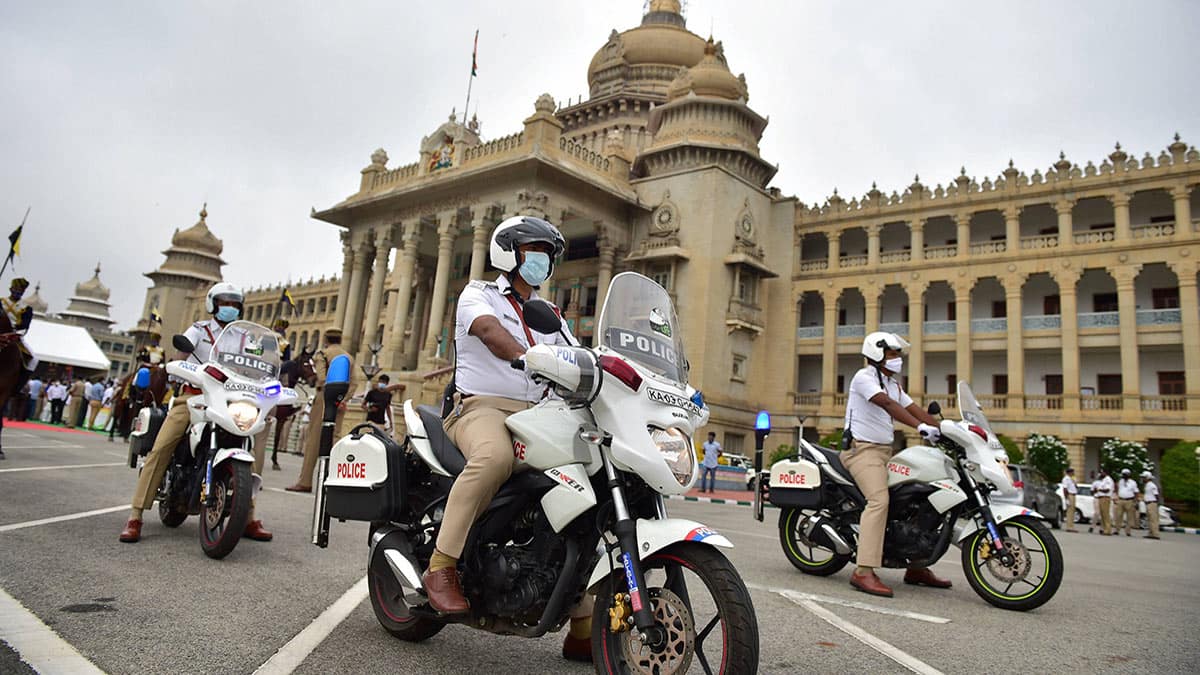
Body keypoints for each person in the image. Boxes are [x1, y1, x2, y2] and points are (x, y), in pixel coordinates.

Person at [419, 215, 591, 662]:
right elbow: (490, 333)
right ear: (508, 252)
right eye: (533, 250)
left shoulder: (550, 314)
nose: (542, 260)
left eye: (547, 254)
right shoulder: (479, 293)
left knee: (584, 487)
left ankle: (586, 621)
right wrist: (528, 356)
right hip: (480, 407)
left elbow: (579, 354)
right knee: (494, 458)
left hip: (541, 416)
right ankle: (441, 565)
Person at [120, 282, 273, 543]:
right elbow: (180, 357)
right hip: (193, 397)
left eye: (235, 304)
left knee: (252, 446)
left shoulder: (245, 338)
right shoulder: (198, 330)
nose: (230, 308)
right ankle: (135, 515)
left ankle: (247, 517)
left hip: (228, 400)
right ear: (213, 304)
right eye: (225, 303)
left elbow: (257, 366)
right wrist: (178, 368)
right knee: (161, 447)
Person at [841, 331, 951, 598]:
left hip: (886, 452)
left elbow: (915, 409)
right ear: (877, 355)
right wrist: (921, 428)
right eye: (892, 354)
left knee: (918, 499)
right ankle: (863, 571)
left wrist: (949, 430)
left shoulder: (893, 385)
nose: (897, 360)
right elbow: (887, 405)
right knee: (879, 501)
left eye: (898, 355)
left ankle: (916, 565)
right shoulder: (864, 378)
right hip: (861, 451)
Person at [286, 328, 351, 492]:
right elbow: (355, 382)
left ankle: (305, 481)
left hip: (324, 398)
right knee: (335, 439)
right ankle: (334, 482)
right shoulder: (348, 357)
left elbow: (322, 377)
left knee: (314, 440)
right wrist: (343, 399)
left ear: (326, 339)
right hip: (341, 401)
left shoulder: (323, 354)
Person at [2, 278, 38, 386]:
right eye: (15, 289)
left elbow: (24, 328)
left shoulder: (26, 308)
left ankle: (19, 386)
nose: (17, 292)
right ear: (10, 289)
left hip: (14, 336)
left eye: (20, 290)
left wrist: (13, 335)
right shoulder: (1, 302)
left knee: (34, 360)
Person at [1114, 468, 1139, 537]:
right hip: (1121, 500)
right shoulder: (1120, 481)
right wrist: (1116, 497)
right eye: (1123, 474)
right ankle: (1117, 530)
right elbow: (1117, 489)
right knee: (1118, 515)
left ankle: (1128, 531)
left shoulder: (1133, 482)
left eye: (1126, 474)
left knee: (1129, 517)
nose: (1124, 476)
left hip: (1129, 500)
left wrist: (1136, 501)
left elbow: (1136, 492)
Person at [1092, 469, 1114, 536]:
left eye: (1102, 472)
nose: (1101, 474)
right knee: (1102, 514)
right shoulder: (1103, 480)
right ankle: (1105, 529)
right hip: (1101, 498)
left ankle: (1108, 529)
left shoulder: (1108, 480)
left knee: (1106, 514)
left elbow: (1107, 490)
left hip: (1105, 498)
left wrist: (1098, 490)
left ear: (1105, 473)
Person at [1141, 470, 1161, 540]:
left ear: (1148, 478)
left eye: (1144, 477)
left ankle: (1156, 534)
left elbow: (1156, 495)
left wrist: (1156, 503)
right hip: (1148, 503)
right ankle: (1151, 533)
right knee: (1149, 519)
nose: (1142, 479)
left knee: (1153, 519)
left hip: (1152, 503)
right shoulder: (1147, 485)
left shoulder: (1152, 485)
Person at [1061, 467, 1079, 533]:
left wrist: (1075, 482)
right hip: (1069, 495)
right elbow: (1065, 489)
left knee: (1072, 511)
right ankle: (1069, 527)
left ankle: (1071, 526)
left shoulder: (1072, 479)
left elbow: (1076, 487)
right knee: (1070, 512)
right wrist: (1066, 499)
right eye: (1073, 472)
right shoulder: (1066, 479)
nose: (1074, 473)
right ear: (1070, 472)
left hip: (1073, 494)